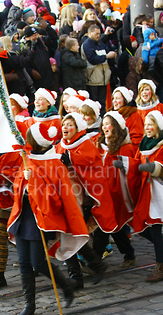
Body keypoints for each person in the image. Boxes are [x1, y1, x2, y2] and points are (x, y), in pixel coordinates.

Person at [7, 122, 88, 315]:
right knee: (24, 263)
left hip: (41, 219)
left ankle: (66, 286)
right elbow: (18, 188)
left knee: (38, 262)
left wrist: (32, 182)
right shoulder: (27, 160)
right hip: (24, 216)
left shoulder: (54, 164)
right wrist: (23, 182)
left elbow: (54, 197)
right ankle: (30, 304)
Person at [56, 113, 115, 289]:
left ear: (78, 128)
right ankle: (86, 271)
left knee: (72, 235)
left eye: (70, 125)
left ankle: (84, 272)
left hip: (80, 199)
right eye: (64, 124)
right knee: (68, 235)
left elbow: (92, 170)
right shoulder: (60, 146)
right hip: (64, 197)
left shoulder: (85, 145)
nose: (65, 128)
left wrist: (72, 163)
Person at [131, 111, 163, 282]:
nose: (147, 128)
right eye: (145, 125)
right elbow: (137, 163)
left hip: (160, 194)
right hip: (146, 193)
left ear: (158, 127)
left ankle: (161, 268)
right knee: (141, 227)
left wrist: (156, 168)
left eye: (150, 125)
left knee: (154, 228)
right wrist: (125, 165)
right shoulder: (144, 145)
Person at [97, 111, 138, 268]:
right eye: (104, 123)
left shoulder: (125, 147)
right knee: (114, 226)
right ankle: (129, 254)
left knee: (107, 225)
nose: (104, 127)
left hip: (118, 193)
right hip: (106, 192)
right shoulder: (103, 145)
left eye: (108, 124)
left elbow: (128, 172)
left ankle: (95, 262)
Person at [82, 24, 117, 115]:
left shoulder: (100, 43)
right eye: (96, 34)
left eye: (99, 34)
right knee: (94, 103)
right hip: (92, 79)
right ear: (90, 33)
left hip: (103, 79)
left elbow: (106, 51)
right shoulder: (87, 45)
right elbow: (93, 59)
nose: (98, 36)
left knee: (102, 103)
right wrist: (106, 56)